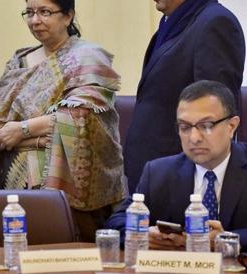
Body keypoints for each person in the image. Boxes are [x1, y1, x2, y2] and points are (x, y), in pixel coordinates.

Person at [0, 0, 126, 242]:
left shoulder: (89, 58)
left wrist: (22, 130)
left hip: (70, 184)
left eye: (45, 12)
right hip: (16, 175)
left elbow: (84, 118)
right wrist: (29, 135)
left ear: (68, 15)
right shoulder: (19, 61)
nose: (35, 20)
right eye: (29, 12)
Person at [124, 0, 245, 193]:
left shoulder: (215, 23)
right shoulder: (174, 22)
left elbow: (212, 109)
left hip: (182, 176)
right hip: (154, 168)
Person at [106, 80, 247, 249]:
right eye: (185, 127)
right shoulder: (159, 172)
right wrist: (142, 235)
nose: (194, 138)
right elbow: (117, 221)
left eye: (206, 126)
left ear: (231, 126)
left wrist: (227, 240)